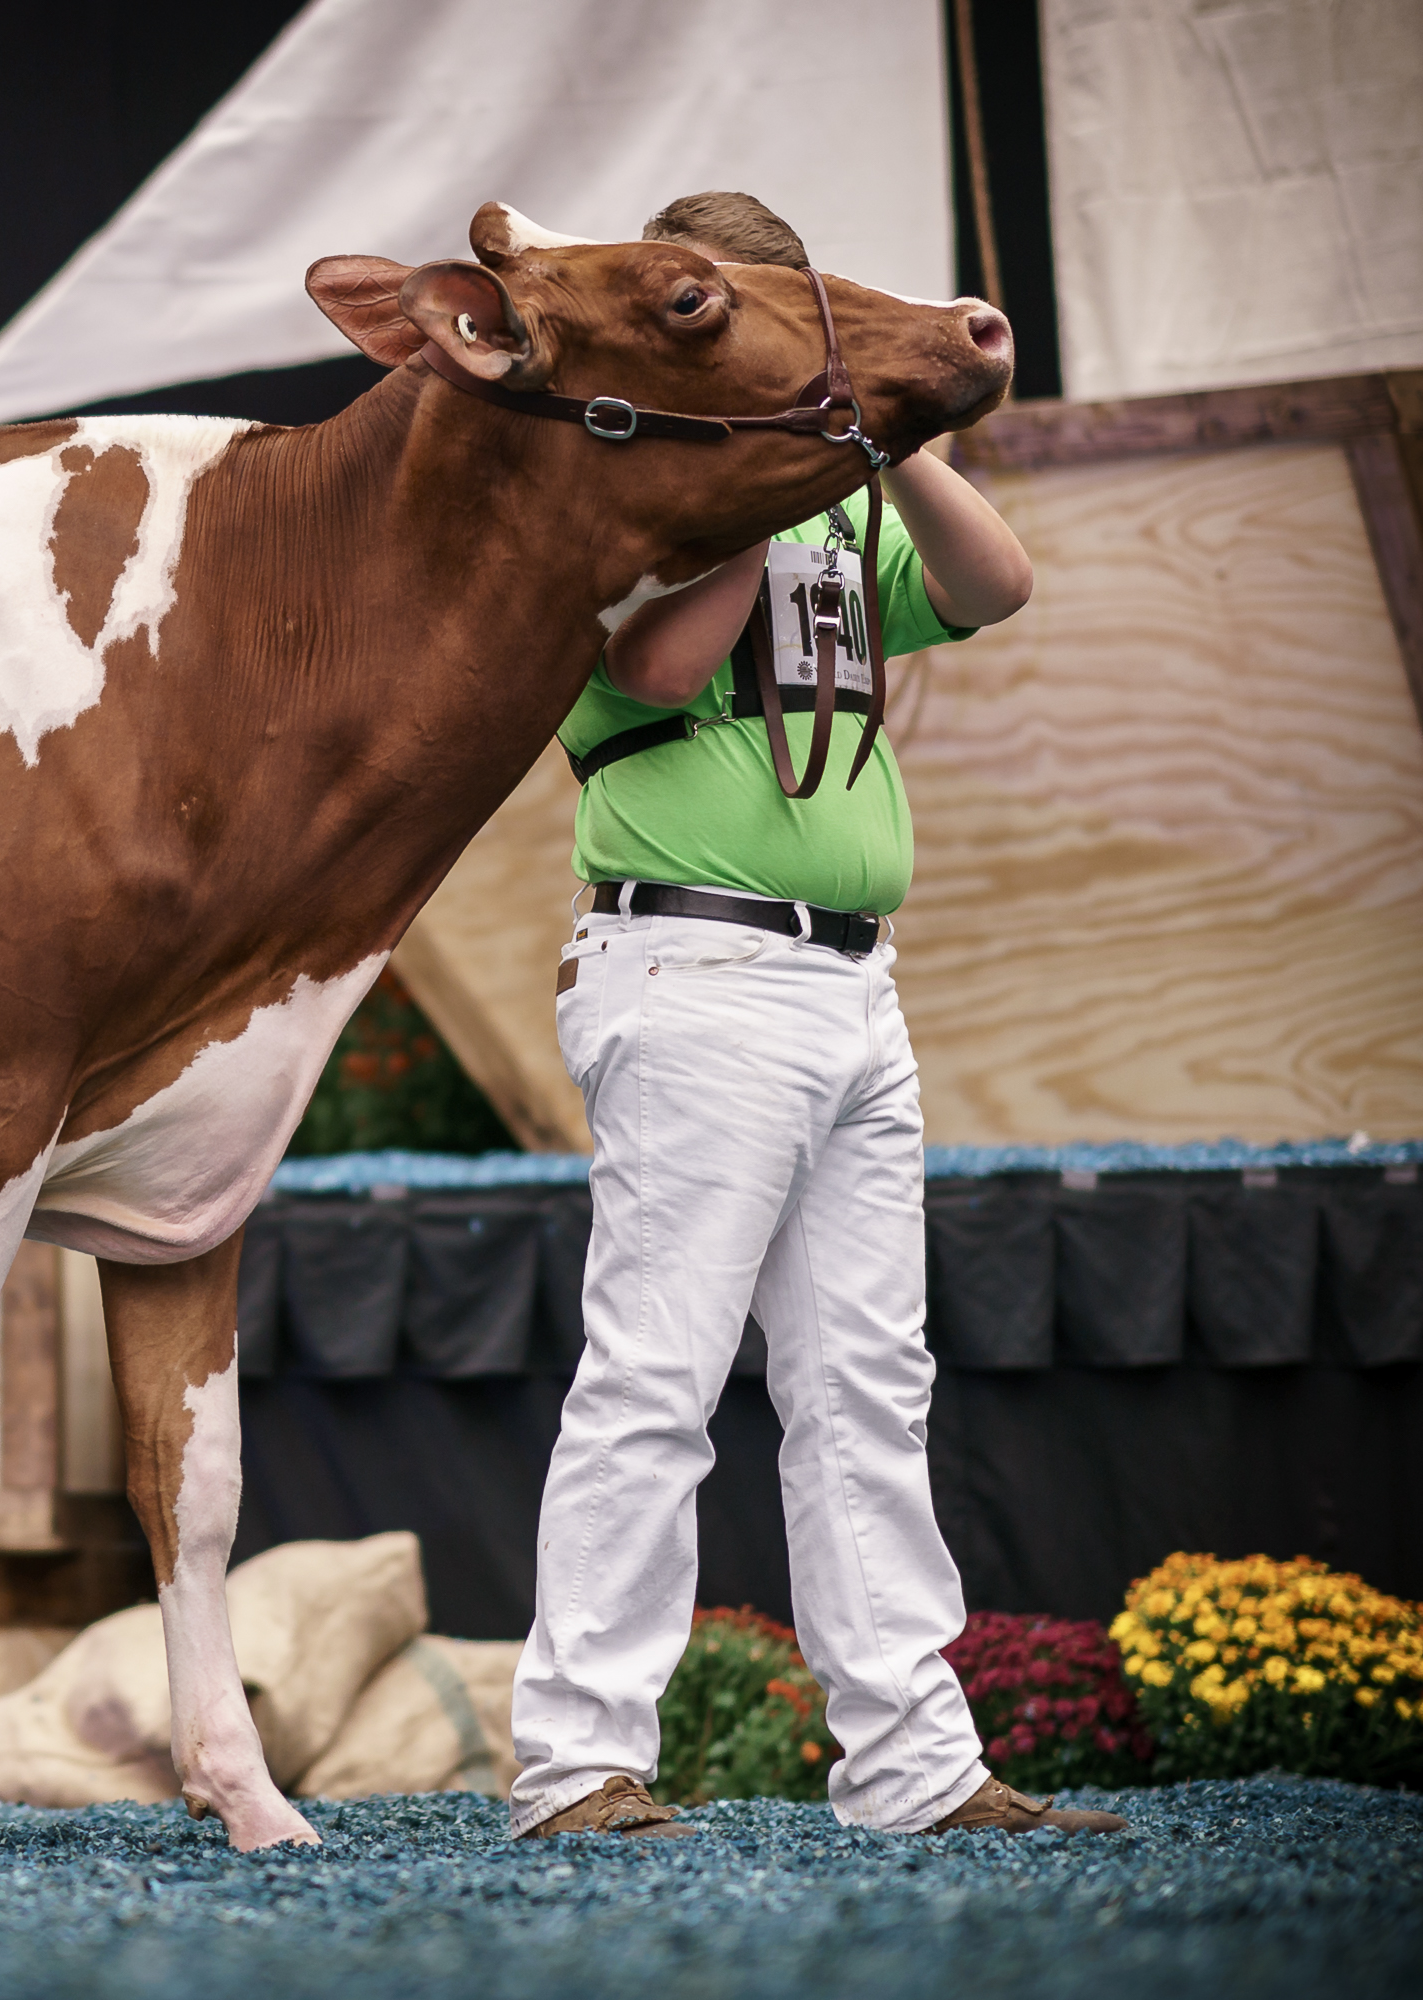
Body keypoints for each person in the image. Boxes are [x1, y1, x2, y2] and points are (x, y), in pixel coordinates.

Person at [506, 192, 1123, 1840]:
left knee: (867, 1382)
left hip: (850, 982)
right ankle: (576, 1762)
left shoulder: (839, 502)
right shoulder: (622, 496)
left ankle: (913, 1766)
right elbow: (646, 675)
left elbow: (995, 583)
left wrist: (888, 439)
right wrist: (777, 484)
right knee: (659, 1376)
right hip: (695, 973)